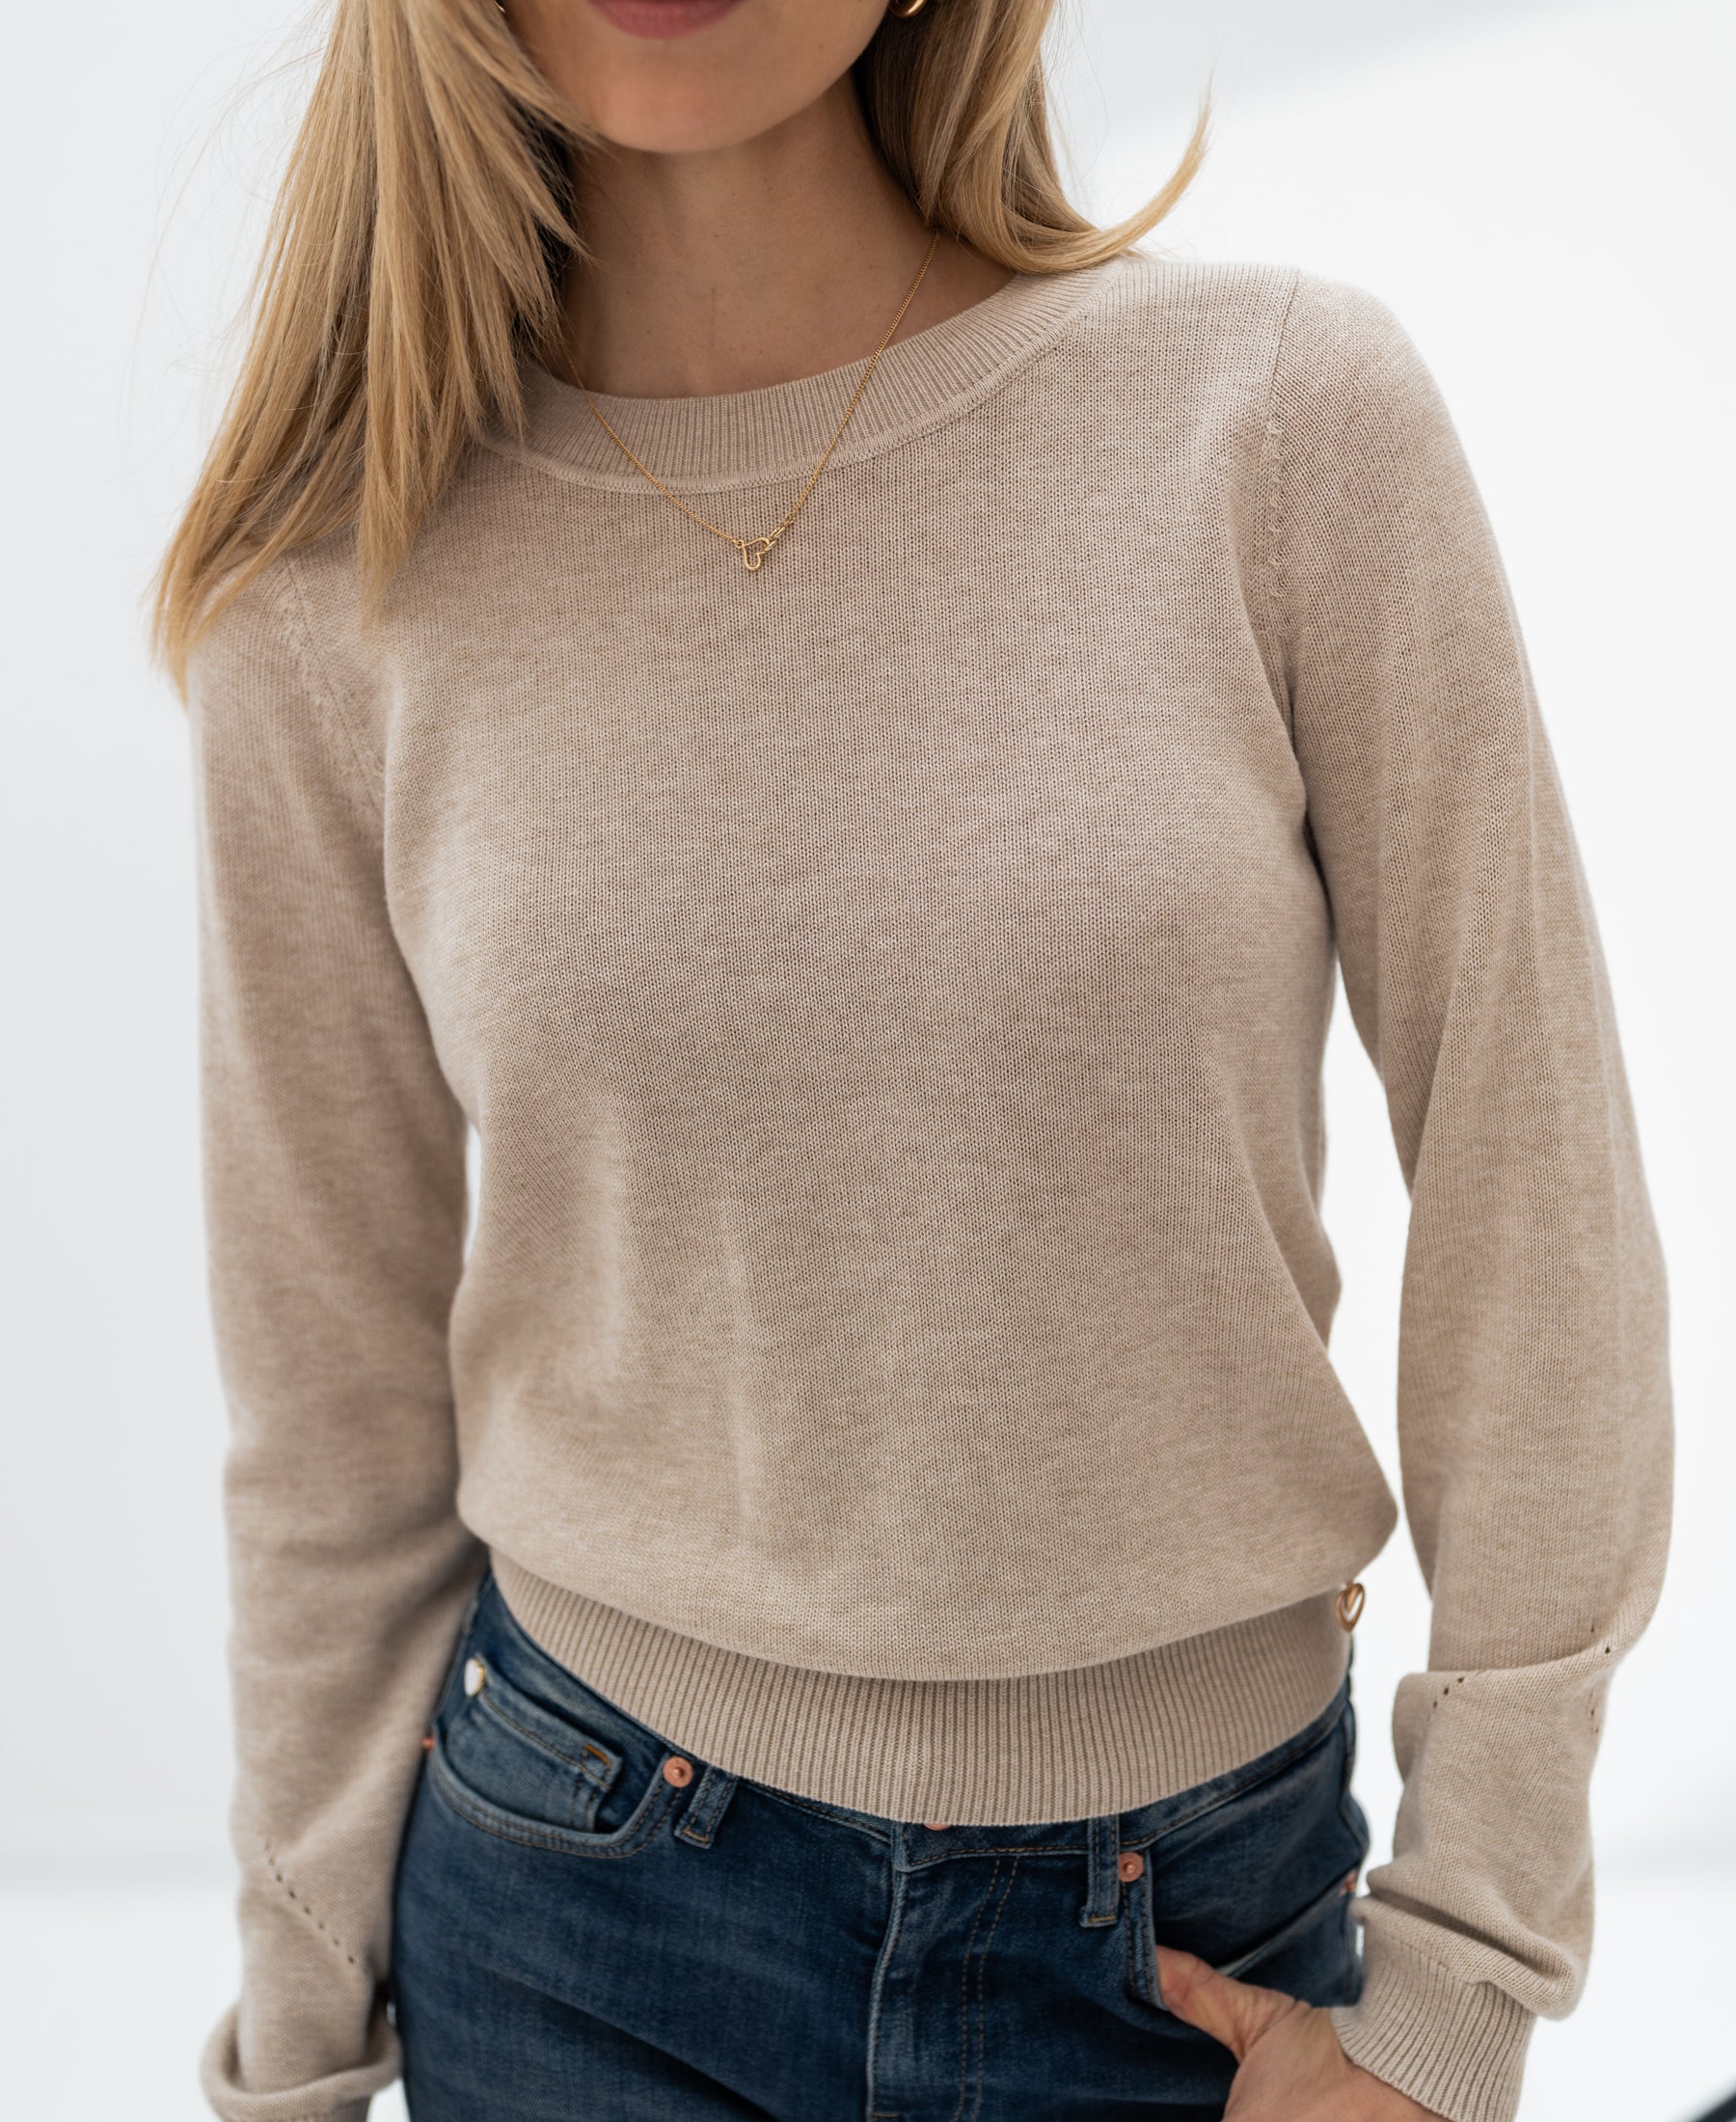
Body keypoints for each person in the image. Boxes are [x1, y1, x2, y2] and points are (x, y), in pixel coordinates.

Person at [149, 2, 1673, 2118]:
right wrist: (302, 2057)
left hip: (1194, 1951)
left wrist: (1459, 1991)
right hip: (574, 1914)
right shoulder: (331, 593)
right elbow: (326, 1413)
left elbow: (1538, 1189)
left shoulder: (1282, 421)